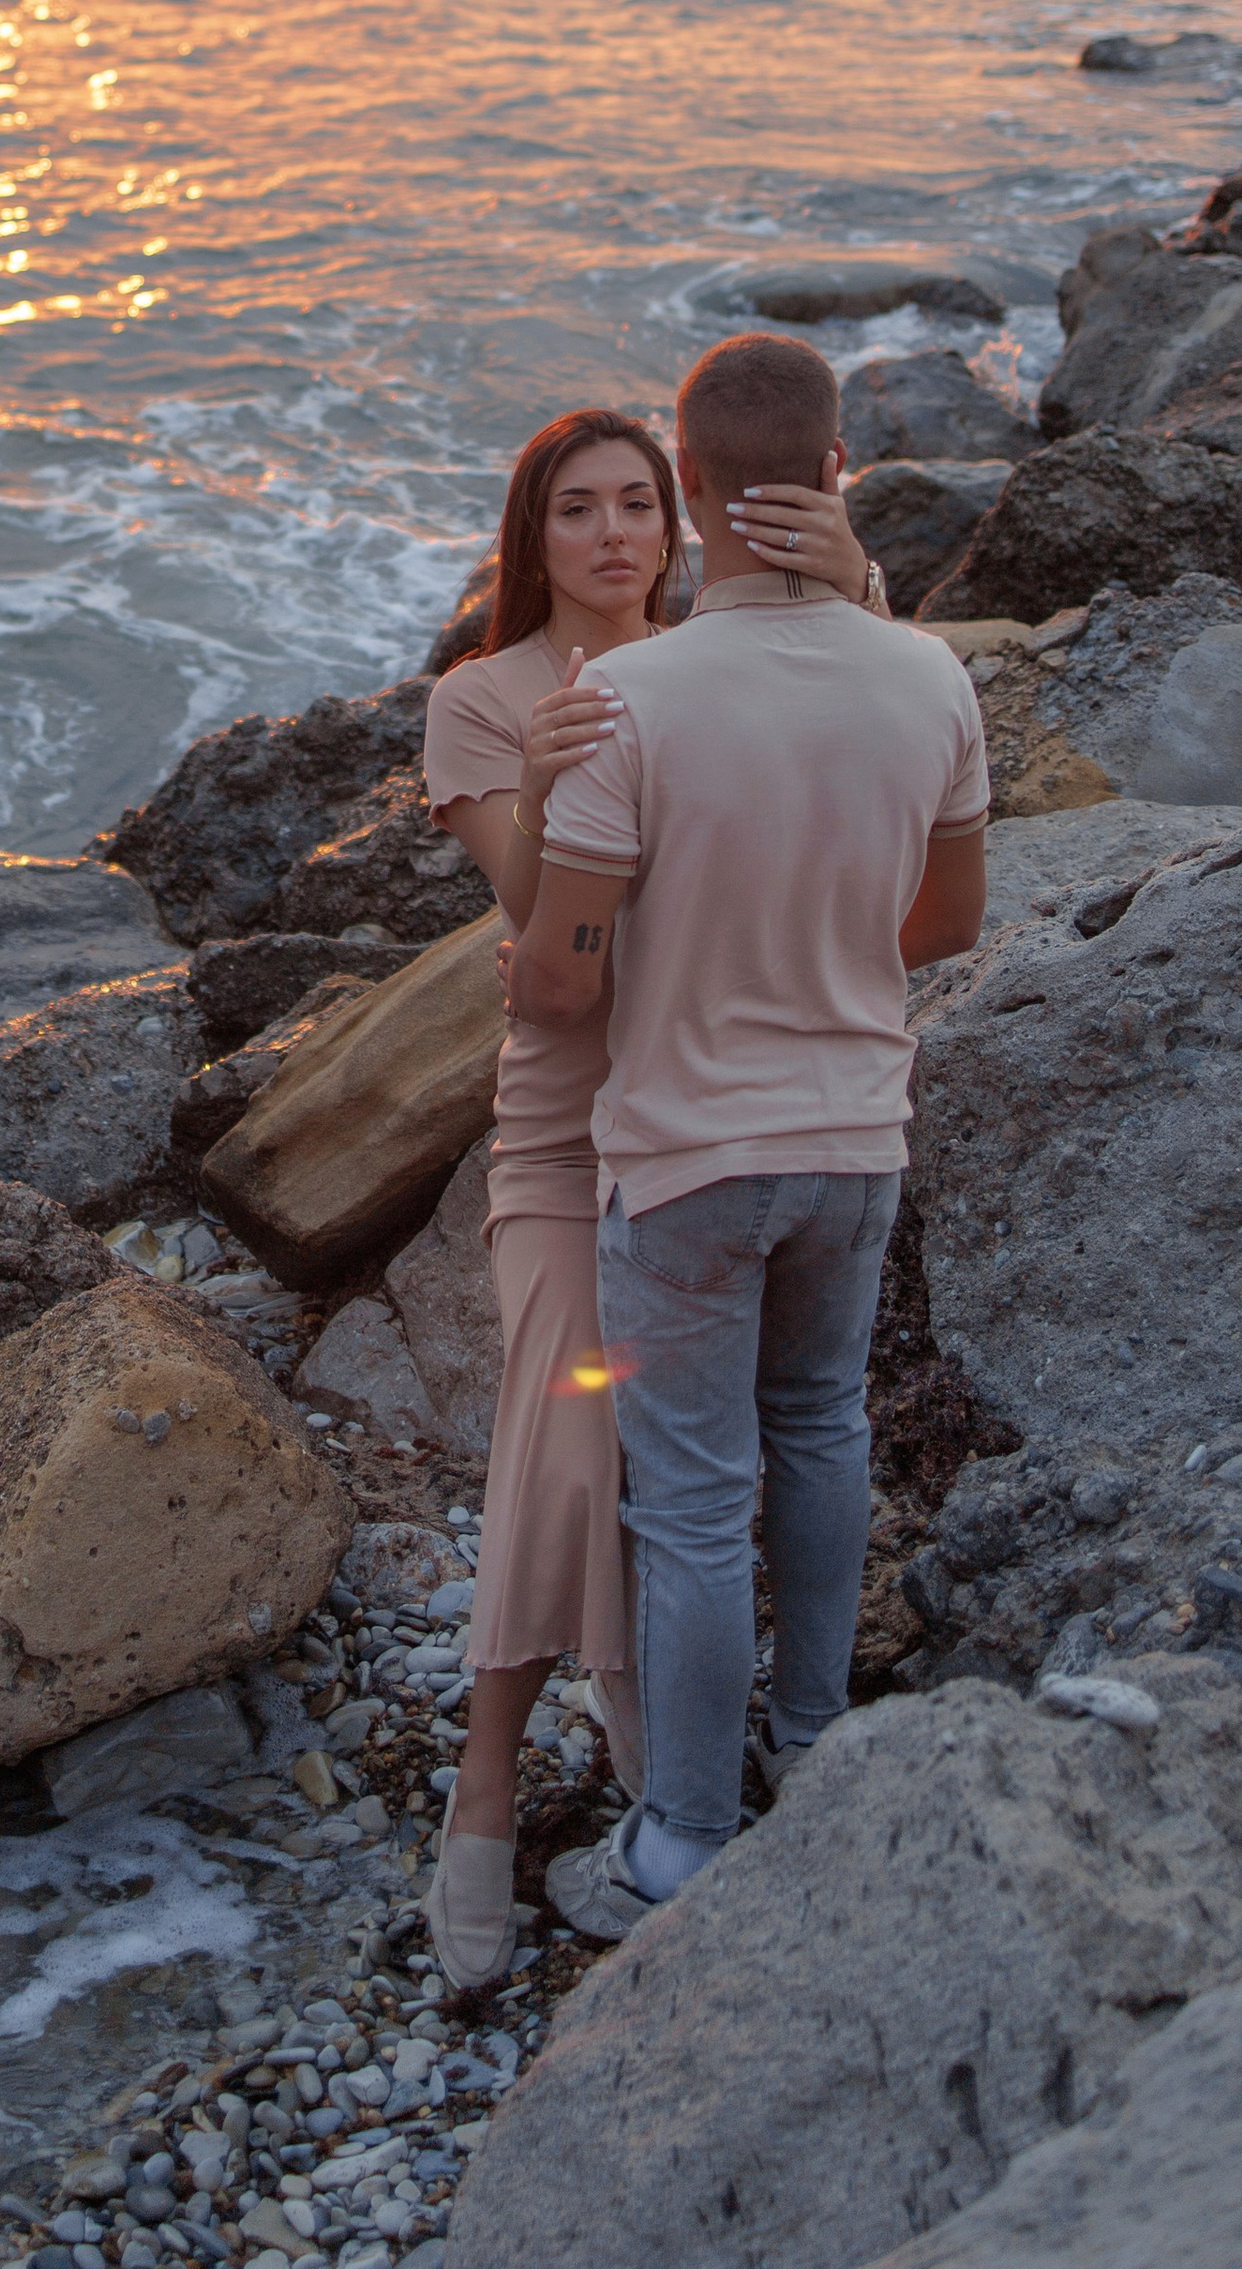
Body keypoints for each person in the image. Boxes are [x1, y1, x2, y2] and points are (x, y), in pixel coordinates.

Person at [503, 331, 988, 1941]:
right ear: (839, 475)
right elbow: (946, 925)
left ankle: (684, 1845)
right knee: (827, 1430)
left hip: (688, 1157)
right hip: (858, 1138)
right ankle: (817, 1740)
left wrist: (607, 943)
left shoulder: (620, 699)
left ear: (691, 491)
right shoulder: (929, 674)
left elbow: (564, 996)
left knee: (699, 1501)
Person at [418, 401, 881, 1986]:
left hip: (720, 1109)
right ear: (530, 538)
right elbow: (548, 948)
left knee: (684, 1455)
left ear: (678, 525)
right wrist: (549, 790)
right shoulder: (485, 704)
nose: (614, 535)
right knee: (568, 1432)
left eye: (637, 504)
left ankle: (653, 1759)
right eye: (576, 511)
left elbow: (865, 769)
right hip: (567, 1136)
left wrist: (864, 587)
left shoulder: (717, 664)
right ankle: (488, 1790)